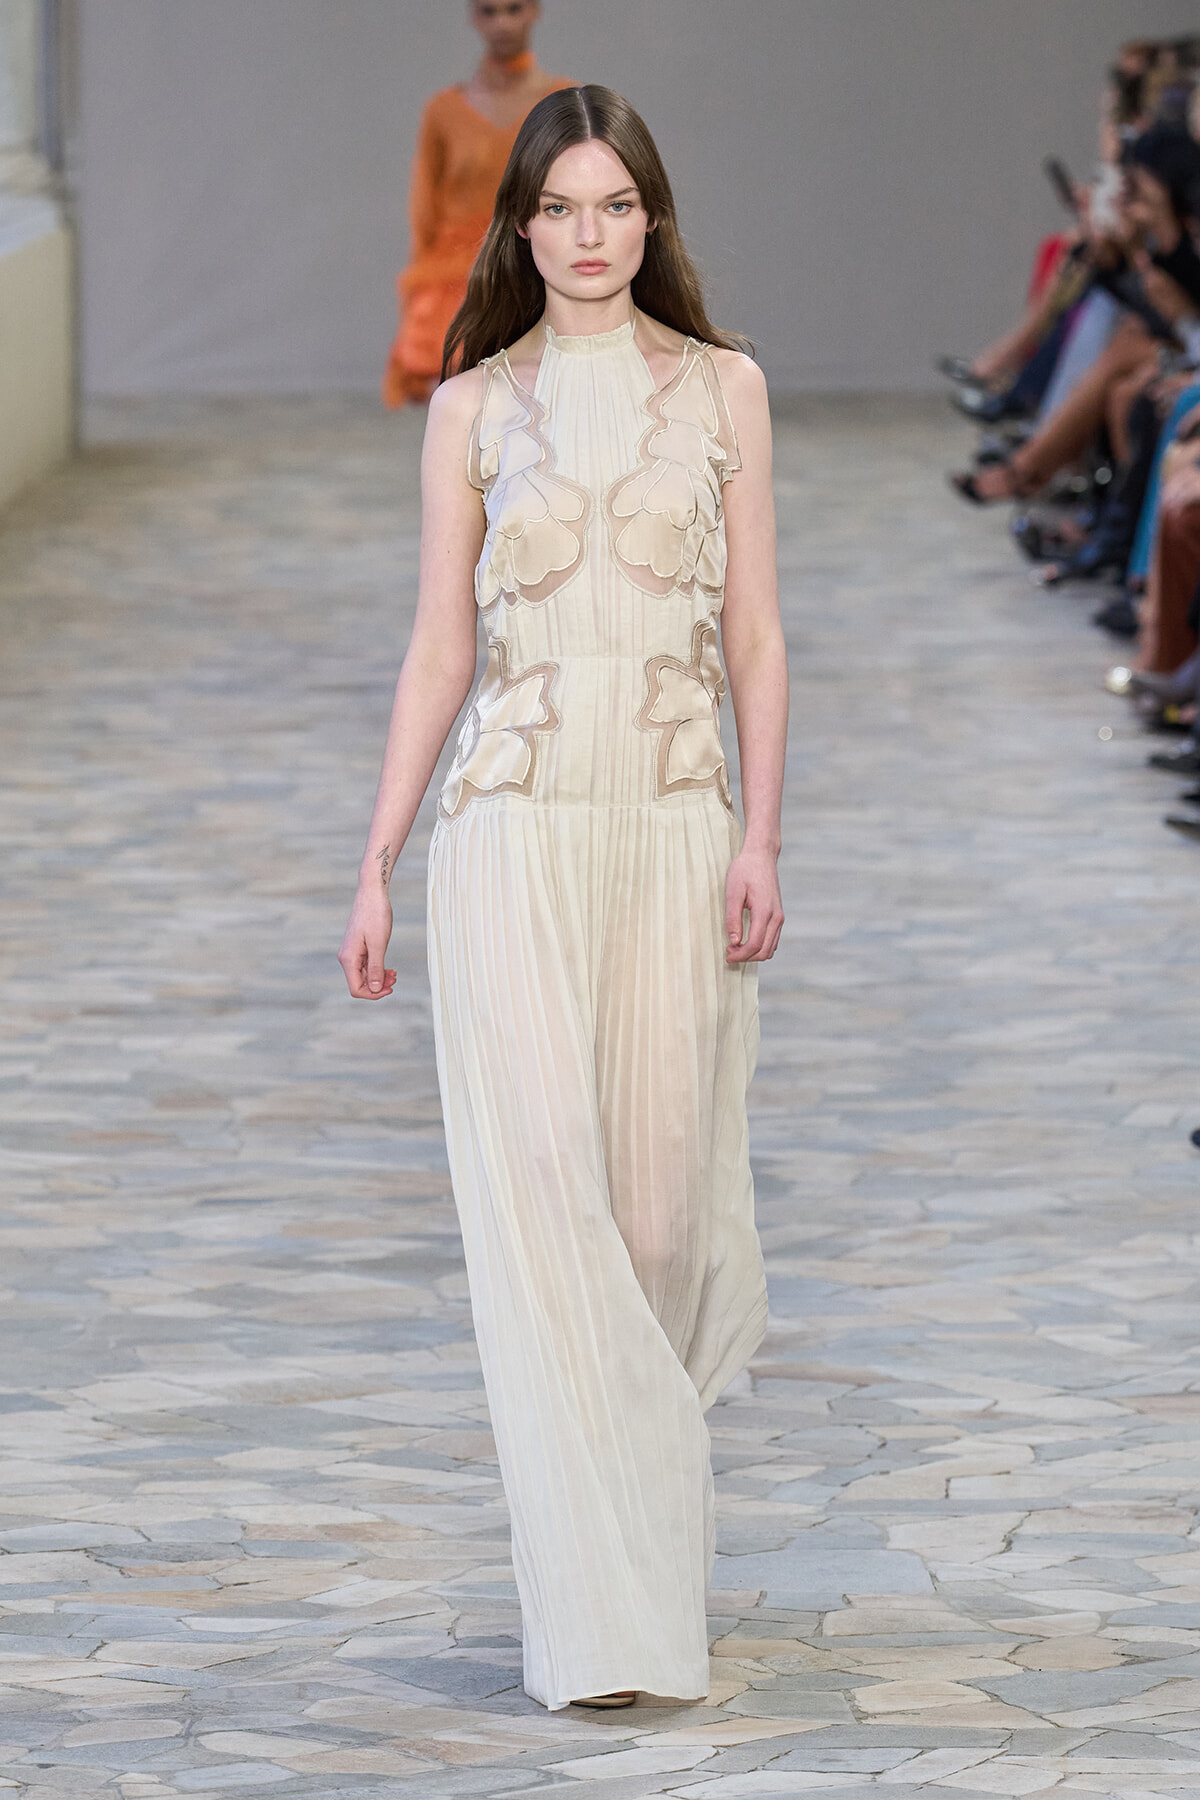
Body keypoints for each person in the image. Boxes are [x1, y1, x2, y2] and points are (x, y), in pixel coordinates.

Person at [341, 84, 787, 1711]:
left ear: (650, 219)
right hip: (513, 826)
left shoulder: (727, 389)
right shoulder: (473, 407)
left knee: (657, 1224)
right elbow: (439, 651)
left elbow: (755, 637)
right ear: (518, 230)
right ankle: (599, 1623)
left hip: (673, 825)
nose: (589, 236)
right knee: (545, 1213)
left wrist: (763, 840)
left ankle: (644, 1563)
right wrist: (379, 858)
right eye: (560, 210)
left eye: (615, 206)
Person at [382, 0, 572, 406]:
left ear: (534, 11)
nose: (502, 22)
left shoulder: (563, 103)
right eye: (489, 11)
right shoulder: (444, 111)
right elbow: (425, 209)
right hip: (455, 281)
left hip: (537, 268)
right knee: (457, 402)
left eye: (513, 9)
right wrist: (421, 290)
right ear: (474, 18)